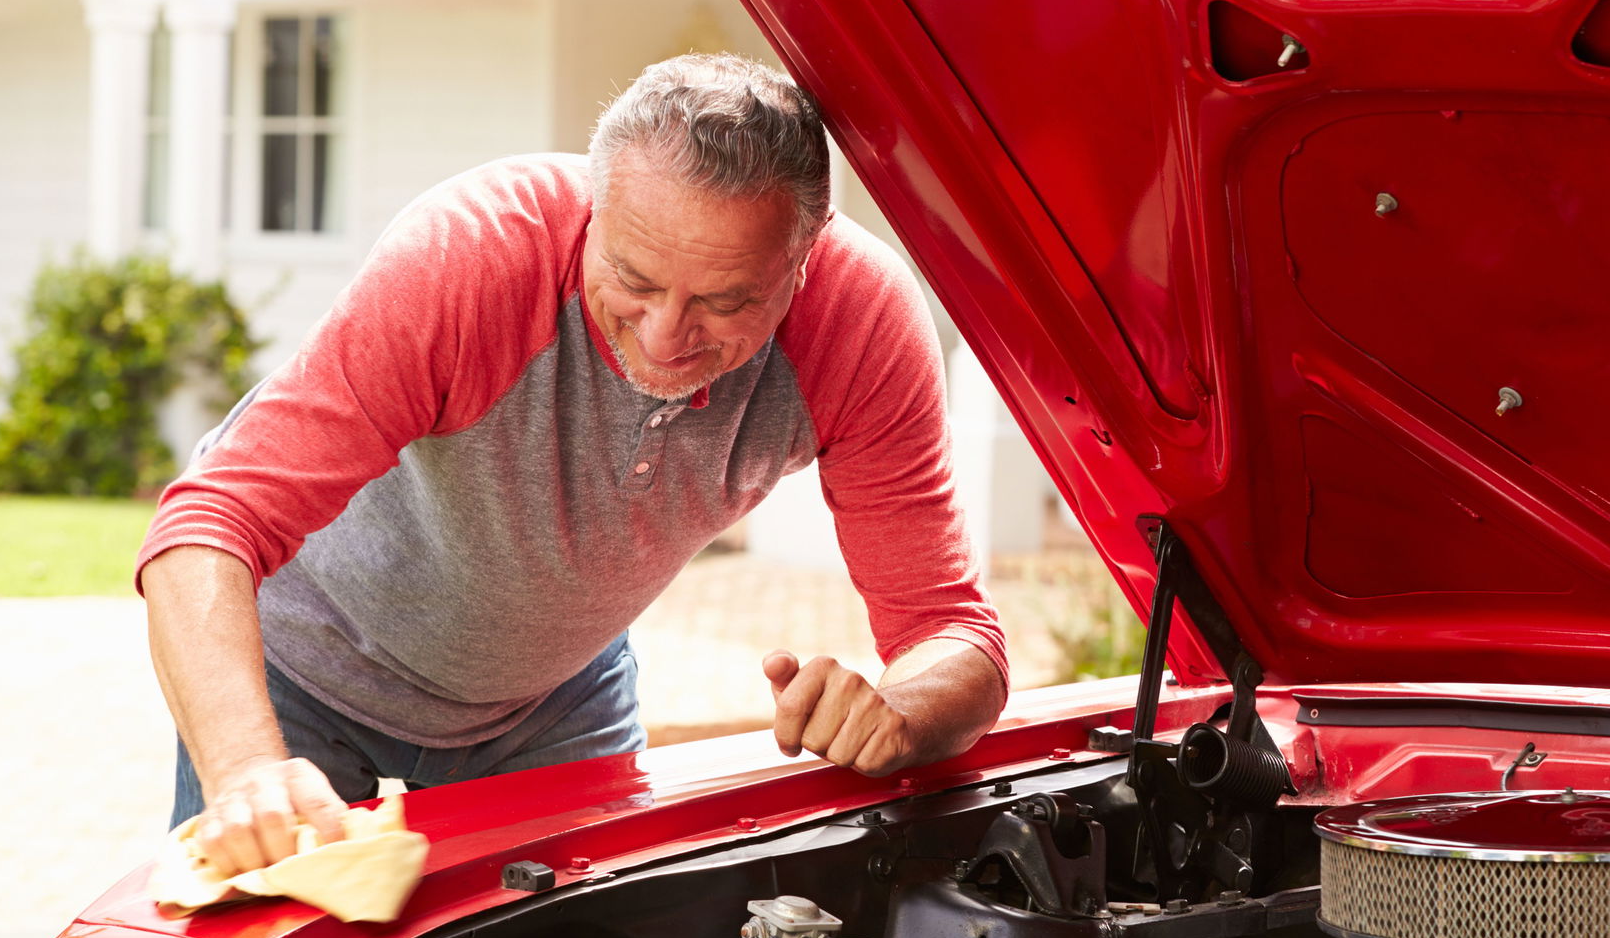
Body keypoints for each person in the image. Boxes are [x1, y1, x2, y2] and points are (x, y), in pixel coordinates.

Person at [139, 53, 1008, 876]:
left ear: (809, 249)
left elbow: (956, 635)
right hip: (304, 670)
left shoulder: (860, 327)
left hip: (551, 700)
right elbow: (205, 523)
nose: (668, 335)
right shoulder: (471, 257)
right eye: (633, 275)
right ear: (594, 207)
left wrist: (900, 712)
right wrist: (247, 767)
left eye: (724, 299)